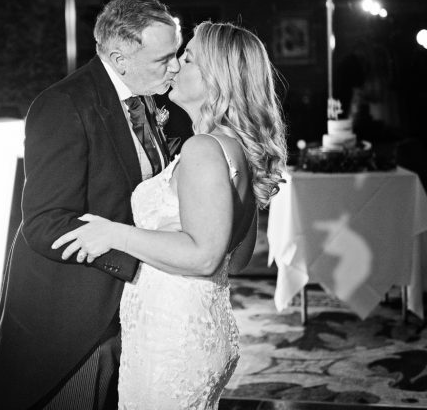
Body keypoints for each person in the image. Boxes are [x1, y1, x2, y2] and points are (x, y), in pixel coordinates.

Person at [52, 21, 287, 409]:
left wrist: (113, 233)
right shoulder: (237, 150)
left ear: (219, 80)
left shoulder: (204, 150)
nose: (175, 66)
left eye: (188, 58)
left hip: (171, 339)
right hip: (202, 329)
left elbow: (204, 256)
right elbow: (237, 259)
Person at [0, 0, 181, 409]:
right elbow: (44, 224)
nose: (175, 67)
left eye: (176, 54)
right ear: (120, 57)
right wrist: (133, 255)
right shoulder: (63, 106)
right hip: (71, 312)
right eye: (164, 59)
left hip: (127, 303)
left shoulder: (142, 95)